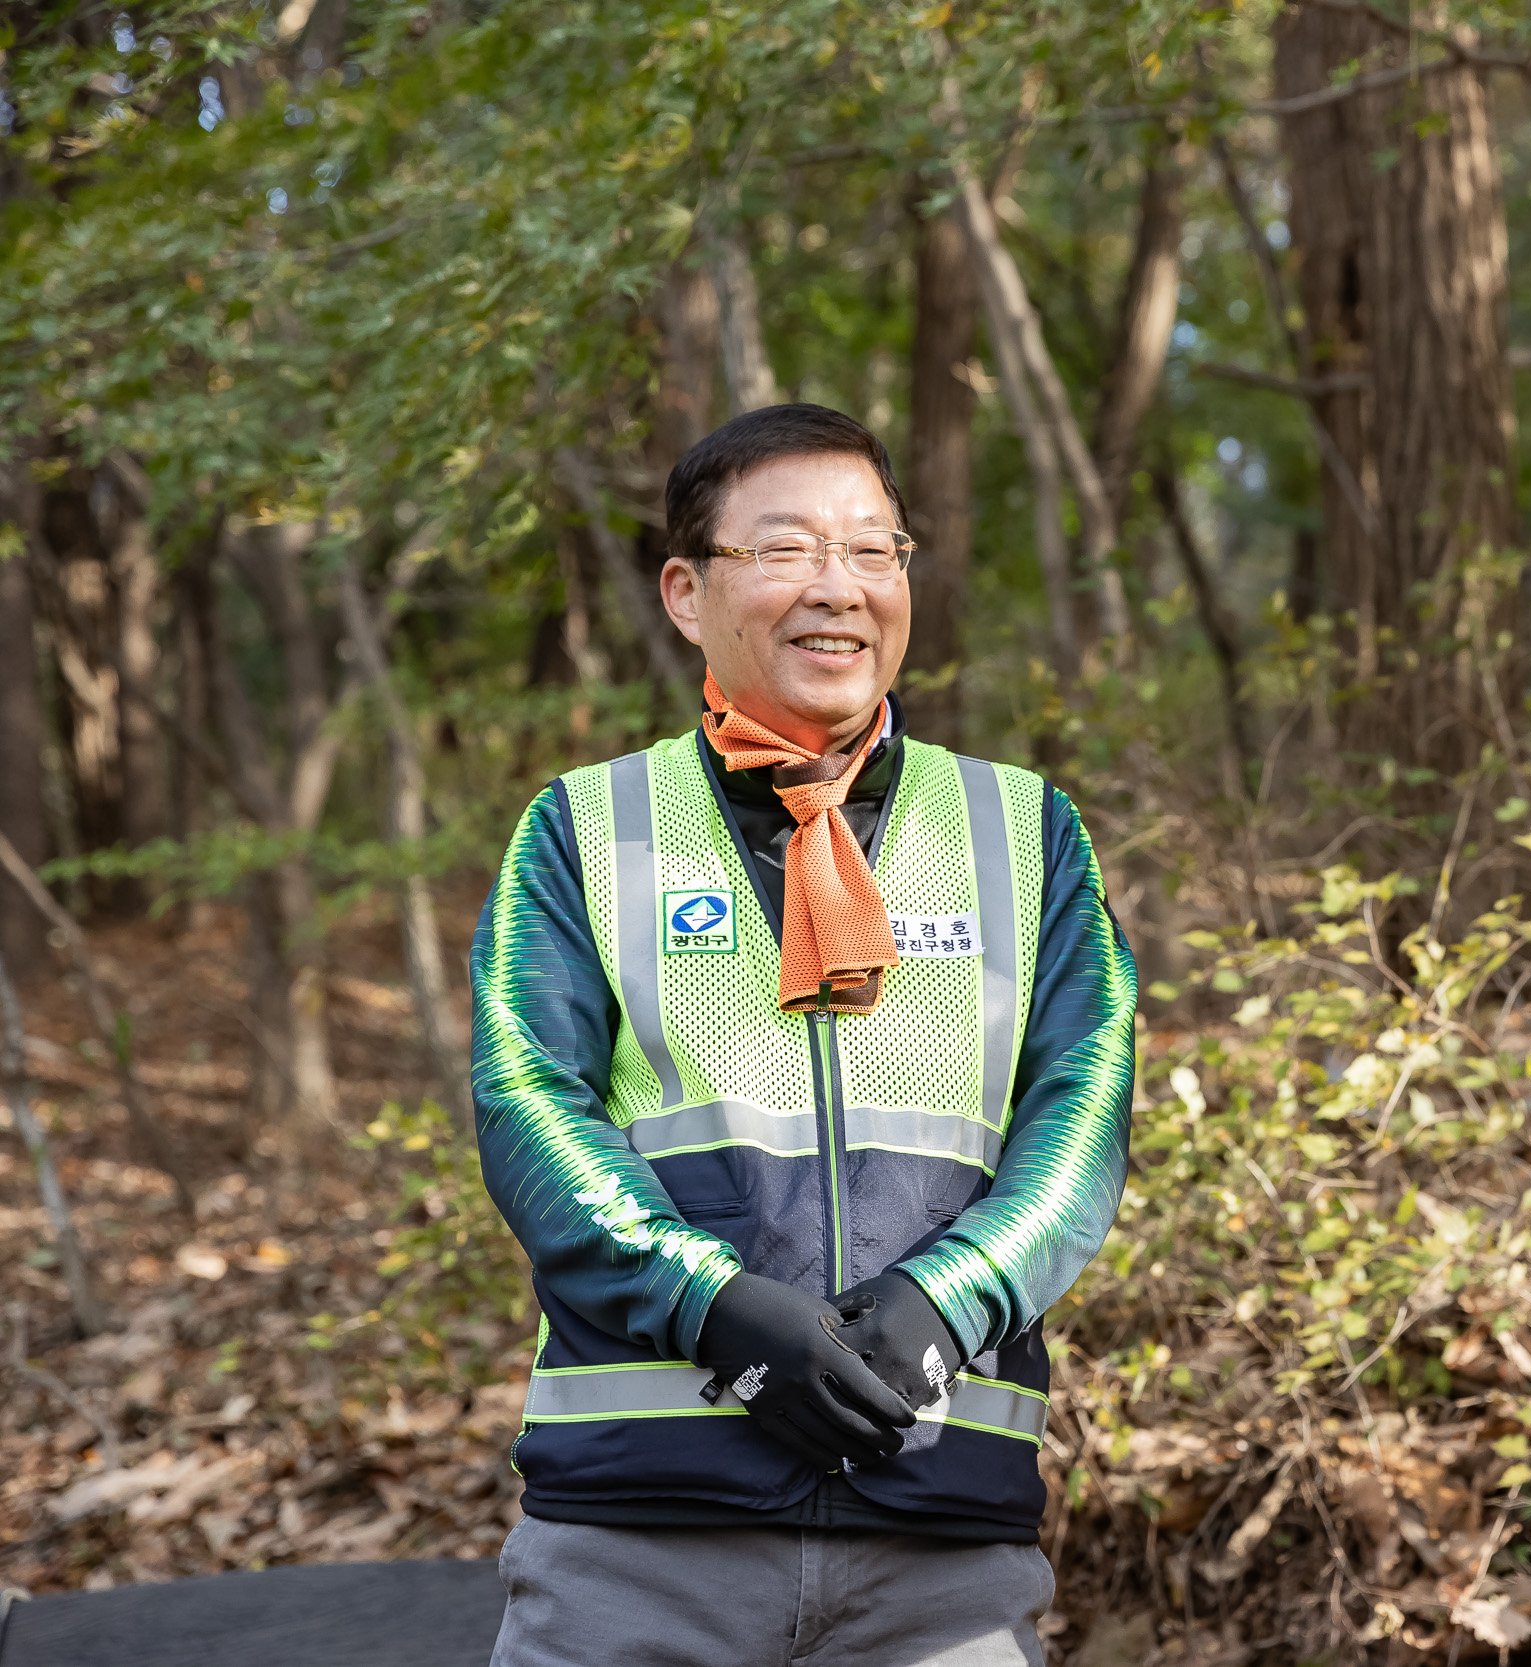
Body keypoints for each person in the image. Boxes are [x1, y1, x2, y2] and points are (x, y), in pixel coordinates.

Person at [470, 404, 1136, 1667]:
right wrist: (715, 1307)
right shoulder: (584, 828)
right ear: (686, 589)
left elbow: (1083, 1117)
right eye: (785, 550)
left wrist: (945, 1301)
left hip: (942, 1551)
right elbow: (529, 1105)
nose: (839, 589)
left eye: (874, 551)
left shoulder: (1023, 827)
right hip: (640, 1538)